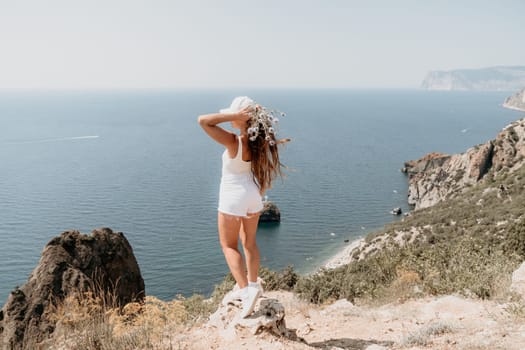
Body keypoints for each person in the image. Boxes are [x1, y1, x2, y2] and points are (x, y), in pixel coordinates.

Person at [198, 96, 287, 318]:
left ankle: (245, 291)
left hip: (233, 197)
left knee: (228, 245)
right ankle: (253, 284)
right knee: (249, 242)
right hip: (253, 196)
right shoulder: (259, 143)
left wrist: (235, 116)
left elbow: (203, 121)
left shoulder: (234, 142)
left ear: (243, 118)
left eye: (235, 116)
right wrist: (244, 117)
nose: (231, 120)